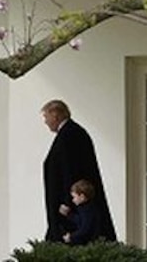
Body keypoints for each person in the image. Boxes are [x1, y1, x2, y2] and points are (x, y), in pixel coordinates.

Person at [41, 99, 116, 243]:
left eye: (46, 116)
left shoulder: (71, 134)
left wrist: (68, 201)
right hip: (71, 204)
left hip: (72, 207)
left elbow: (71, 170)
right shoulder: (70, 132)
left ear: (55, 115)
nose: (45, 121)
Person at [59, 179, 106, 245]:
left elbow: (85, 229)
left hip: (90, 243)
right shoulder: (84, 208)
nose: (73, 200)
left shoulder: (88, 211)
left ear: (82, 197)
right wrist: (68, 214)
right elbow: (79, 220)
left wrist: (71, 237)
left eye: (74, 197)